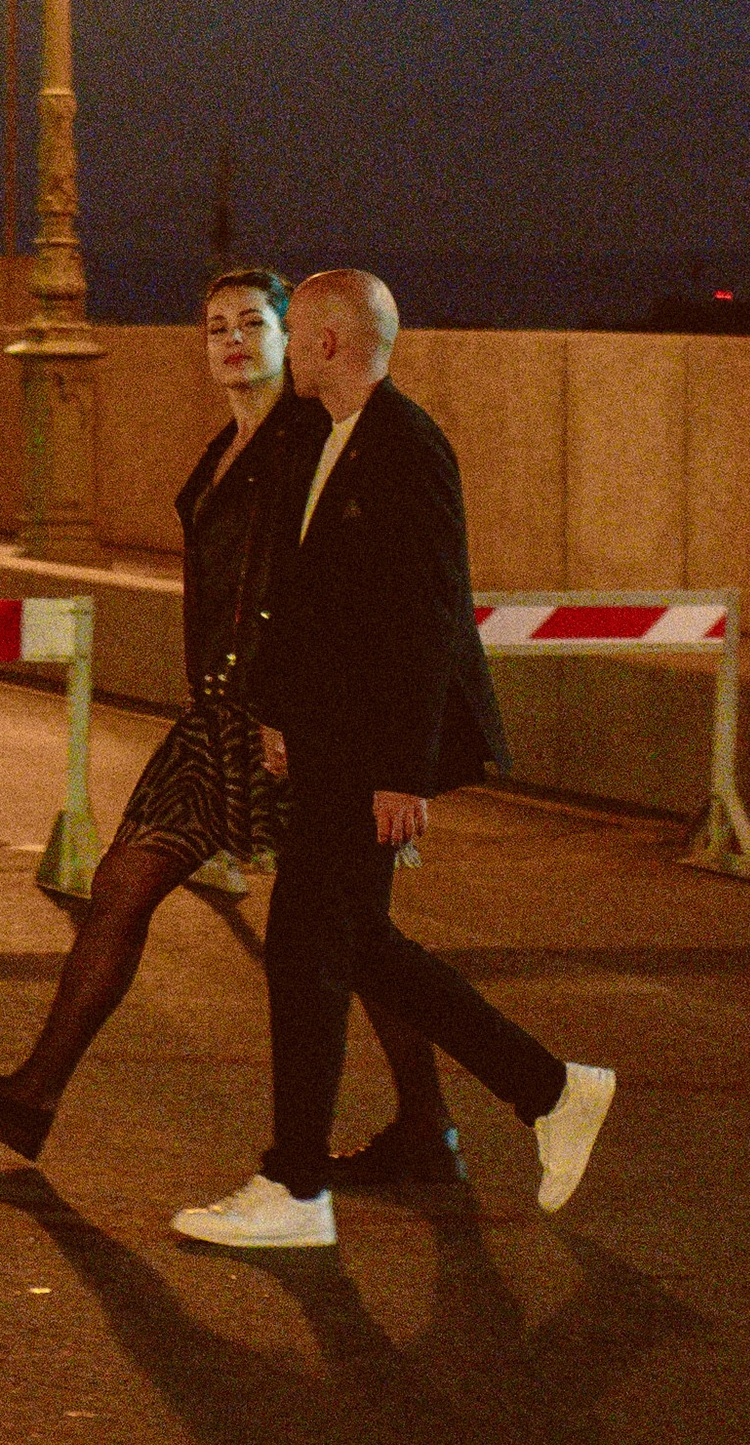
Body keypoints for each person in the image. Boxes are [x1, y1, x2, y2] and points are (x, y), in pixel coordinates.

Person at [0, 263, 454, 1171]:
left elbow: (371, 598)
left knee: (353, 934)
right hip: (220, 717)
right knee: (124, 882)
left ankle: (429, 1125)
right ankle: (34, 1093)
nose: (234, 341)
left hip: (294, 719)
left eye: (253, 323)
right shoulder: (230, 446)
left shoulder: (315, 441)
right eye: (216, 328)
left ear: (296, 338)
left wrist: (371, 742)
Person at [171, 268, 615, 1252]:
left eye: (296, 336)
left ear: (324, 343)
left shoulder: (404, 447)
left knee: (307, 947)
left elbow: (425, 619)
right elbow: (311, 604)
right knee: (350, 945)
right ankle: (546, 1090)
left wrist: (402, 774)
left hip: (369, 752)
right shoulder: (330, 441)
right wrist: (279, 714)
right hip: (328, 738)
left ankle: (297, 1185)